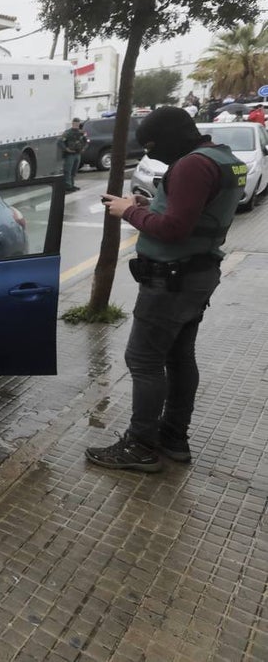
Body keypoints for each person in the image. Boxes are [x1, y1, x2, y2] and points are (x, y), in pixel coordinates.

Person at [88, 107, 245, 472]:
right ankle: (173, 437)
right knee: (178, 357)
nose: (149, 154)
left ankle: (140, 446)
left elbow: (174, 229)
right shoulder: (223, 158)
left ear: (172, 136)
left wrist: (129, 211)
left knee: (143, 360)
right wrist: (150, 205)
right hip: (197, 273)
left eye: (152, 145)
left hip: (172, 280)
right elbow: (193, 213)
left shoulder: (192, 165)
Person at [57, 118, 87, 192]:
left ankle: (72, 185)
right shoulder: (68, 133)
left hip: (77, 154)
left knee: (74, 171)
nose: (77, 125)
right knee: (68, 171)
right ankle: (68, 186)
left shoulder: (81, 133)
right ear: (73, 123)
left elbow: (86, 141)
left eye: (78, 123)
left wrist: (83, 148)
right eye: (75, 123)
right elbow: (60, 141)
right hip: (70, 154)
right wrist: (66, 149)